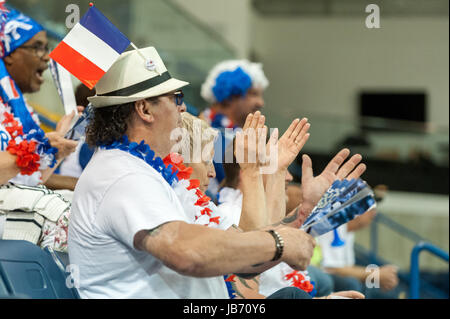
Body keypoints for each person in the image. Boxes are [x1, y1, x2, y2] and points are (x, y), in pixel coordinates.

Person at [68, 46, 365, 299]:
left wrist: (303, 215)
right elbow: (188, 253)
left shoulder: (154, 174)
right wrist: (280, 243)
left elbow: (236, 248)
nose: (182, 111)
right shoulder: (122, 175)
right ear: (145, 109)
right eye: (176, 99)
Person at [0, 9, 78, 186]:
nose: (47, 57)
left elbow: (34, 180)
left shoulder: (21, 110)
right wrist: (37, 149)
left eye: (46, 48)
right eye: (37, 48)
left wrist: (59, 145)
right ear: (10, 53)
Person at [199, 60, 268, 197]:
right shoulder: (201, 129)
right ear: (229, 95)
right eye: (253, 94)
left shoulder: (238, 132)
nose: (261, 102)